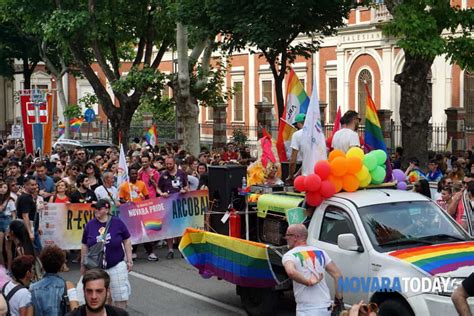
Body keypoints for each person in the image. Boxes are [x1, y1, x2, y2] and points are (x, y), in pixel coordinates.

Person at [80, 199, 133, 309]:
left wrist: (129, 260)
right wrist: (82, 264)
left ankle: (119, 312)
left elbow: (127, 240)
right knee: (100, 297)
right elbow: (84, 245)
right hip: (96, 267)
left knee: (119, 295)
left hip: (116, 264)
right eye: (95, 208)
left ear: (107, 209)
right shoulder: (90, 225)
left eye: (99, 208)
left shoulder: (117, 222)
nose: (96, 211)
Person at [282, 224, 343, 316]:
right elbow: (338, 275)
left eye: (288, 235)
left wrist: (308, 282)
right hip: (326, 307)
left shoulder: (290, 255)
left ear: (296, 237)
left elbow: (291, 271)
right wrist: (339, 302)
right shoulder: (321, 252)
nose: (286, 238)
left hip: (307, 310)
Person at [30, 245, 79, 315]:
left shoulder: (33, 288)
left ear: (43, 265)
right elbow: (75, 310)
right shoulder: (68, 286)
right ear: (61, 266)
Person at [157, 157, 188, 259]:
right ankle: (170, 250)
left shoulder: (182, 173)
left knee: (180, 227)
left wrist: (184, 190)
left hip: (180, 204)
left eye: (170, 164)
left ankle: (181, 248)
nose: (168, 166)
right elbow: (158, 188)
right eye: (166, 164)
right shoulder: (163, 175)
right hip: (168, 205)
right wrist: (162, 193)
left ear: (174, 163)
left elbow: (187, 186)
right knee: (169, 228)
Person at [15, 176, 42, 253]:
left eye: (35, 184)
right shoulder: (25, 198)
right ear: (26, 185)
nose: (35, 187)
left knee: (36, 251)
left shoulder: (28, 196)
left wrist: (37, 226)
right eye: (32, 185)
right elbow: (25, 215)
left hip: (33, 228)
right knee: (35, 251)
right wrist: (30, 233)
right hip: (28, 228)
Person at [286, 113, 306, 183]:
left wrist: (291, 175)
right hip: (321, 172)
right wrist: (297, 173)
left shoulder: (297, 135)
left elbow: (292, 161)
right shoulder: (319, 133)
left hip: (307, 176)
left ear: (298, 123)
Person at [0, 181, 15, 268]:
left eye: (5, 187)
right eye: (1, 187)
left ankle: (9, 269)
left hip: (7, 223)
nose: (2, 189)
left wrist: (11, 227)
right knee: (0, 250)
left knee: (8, 248)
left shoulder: (10, 200)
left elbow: (13, 215)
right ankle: (2, 269)